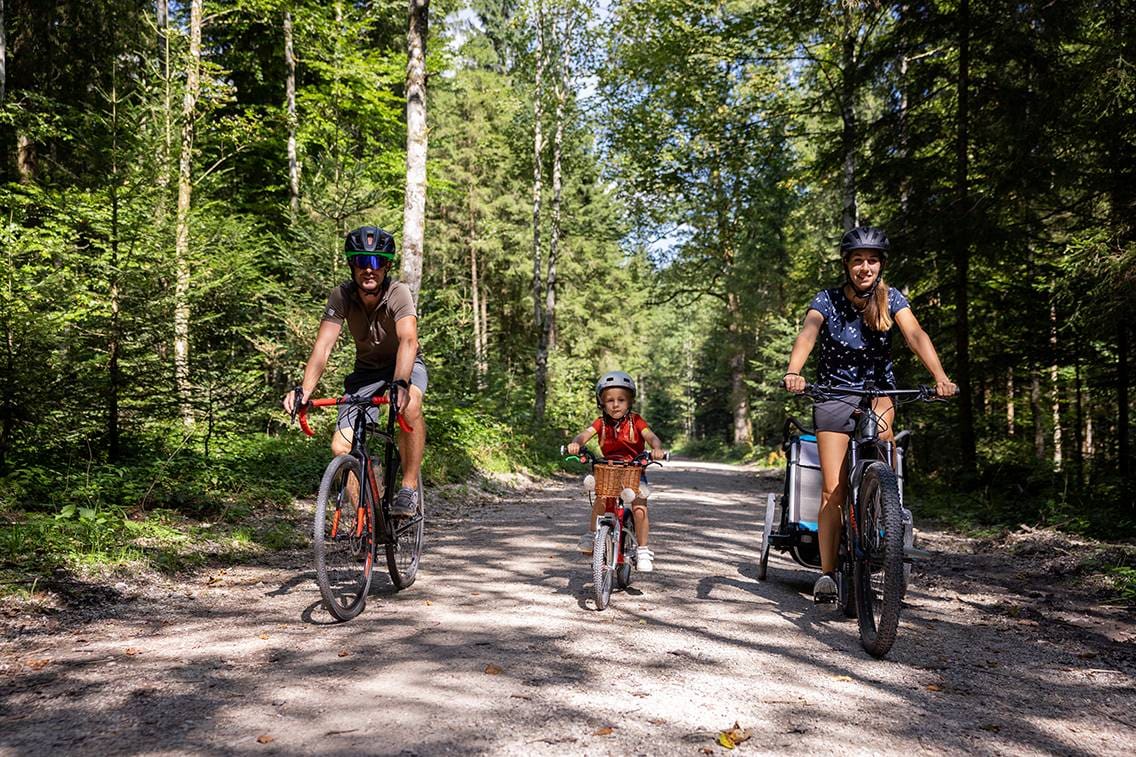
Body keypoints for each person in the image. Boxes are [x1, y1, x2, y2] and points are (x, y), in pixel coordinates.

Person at [782, 226, 957, 602]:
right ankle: (827, 574)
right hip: (833, 394)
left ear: (881, 265)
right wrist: (795, 371)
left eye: (872, 260)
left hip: (879, 393)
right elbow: (808, 334)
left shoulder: (892, 299)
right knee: (833, 488)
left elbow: (916, 335)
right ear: (846, 264)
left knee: (880, 438)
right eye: (858, 260)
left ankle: (882, 511)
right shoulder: (827, 300)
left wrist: (940, 377)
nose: (865, 267)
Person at [282, 226, 427, 518]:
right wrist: (304, 390)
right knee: (341, 445)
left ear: (386, 265)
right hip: (367, 373)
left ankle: (408, 488)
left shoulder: (398, 293)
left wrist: (400, 383)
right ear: (352, 264)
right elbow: (323, 347)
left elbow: (408, 340)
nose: (368, 270)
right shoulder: (342, 296)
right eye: (361, 262)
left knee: (409, 408)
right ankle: (370, 523)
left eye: (375, 263)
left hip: (405, 364)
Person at [566, 371, 667, 571]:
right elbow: (585, 434)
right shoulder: (600, 423)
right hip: (608, 469)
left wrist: (656, 448)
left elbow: (651, 437)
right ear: (601, 403)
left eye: (621, 400)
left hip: (634, 469)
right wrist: (575, 443)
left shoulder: (636, 421)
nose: (615, 404)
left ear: (630, 402)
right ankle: (591, 534)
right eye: (609, 400)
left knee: (639, 507)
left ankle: (643, 550)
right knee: (601, 500)